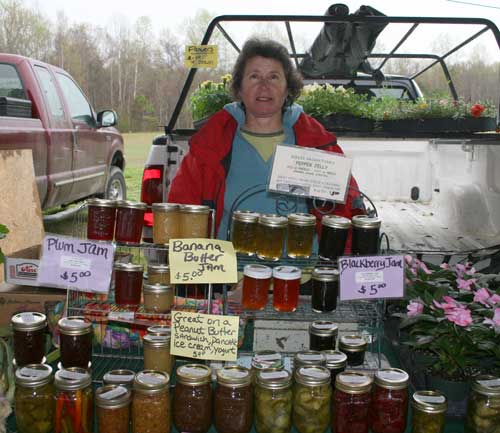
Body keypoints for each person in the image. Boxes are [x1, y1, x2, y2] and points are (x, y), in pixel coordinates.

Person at [168, 38, 365, 250]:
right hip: (231, 277)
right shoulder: (210, 146)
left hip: (302, 277)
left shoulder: (318, 143)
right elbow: (181, 215)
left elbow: (347, 215)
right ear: (239, 88)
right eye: (254, 77)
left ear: (288, 88)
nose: (264, 86)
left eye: (274, 77)